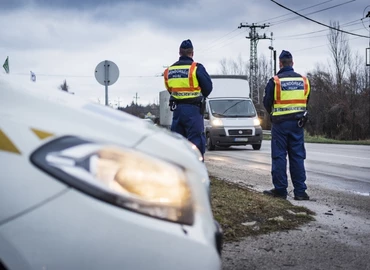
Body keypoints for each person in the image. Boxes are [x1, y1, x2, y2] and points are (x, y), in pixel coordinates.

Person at [262, 50, 311, 200]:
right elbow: (306, 101)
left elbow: (266, 103)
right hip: (297, 124)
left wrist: (275, 113)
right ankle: (300, 191)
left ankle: (281, 190)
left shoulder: (275, 81)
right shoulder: (304, 81)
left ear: (280, 63)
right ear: (292, 63)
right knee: (297, 156)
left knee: (279, 156)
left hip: (280, 124)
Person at [163, 39, 213, 159]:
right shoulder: (196, 68)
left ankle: (179, 171)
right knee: (196, 142)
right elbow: (208, 88)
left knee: (177, 143)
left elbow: (170, 89)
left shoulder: (169, 70)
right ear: (192, 53)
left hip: (177, 111)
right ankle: (196, 171)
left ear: (179, 53)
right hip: (193, 111)